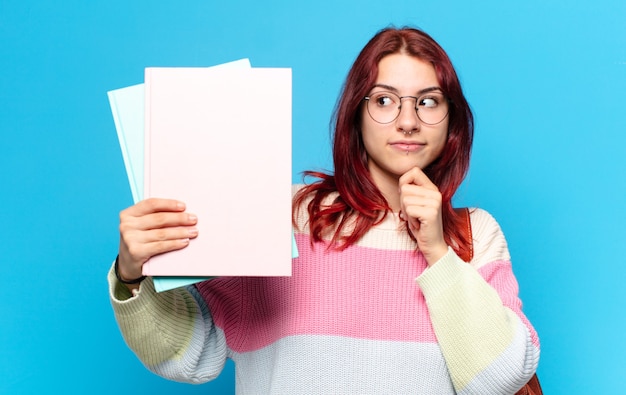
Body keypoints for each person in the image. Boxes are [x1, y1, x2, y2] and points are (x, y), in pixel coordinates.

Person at [109, 26, 540, 394]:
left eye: (427, 101)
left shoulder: (474, 235)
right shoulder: (283, 213)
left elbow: (498, 380)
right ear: (357, 114)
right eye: (385, 100)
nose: (408, 120)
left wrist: (437, 251)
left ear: (451, 122)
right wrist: (130, 276)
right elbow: (193, 354)